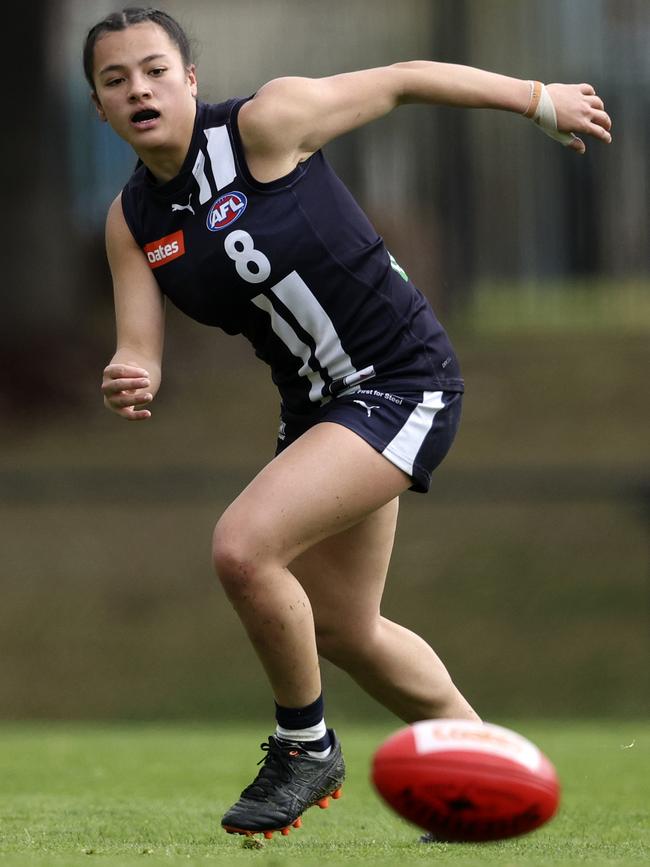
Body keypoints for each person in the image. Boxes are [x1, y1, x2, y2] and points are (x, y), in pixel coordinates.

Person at [85, 6, 612, 841]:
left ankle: (305, 746)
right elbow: (140, 347)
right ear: (99, 108)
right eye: (115, 80)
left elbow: (403, 80)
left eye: (154, 69)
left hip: (403, 381)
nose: (137, 88)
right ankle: (497, 780)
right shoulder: (133, 222)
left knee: (243, 547)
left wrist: (536, 94)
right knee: (344, 626)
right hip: (320, 411)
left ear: (190, 79)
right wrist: (132, 375)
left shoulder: (267, 123)